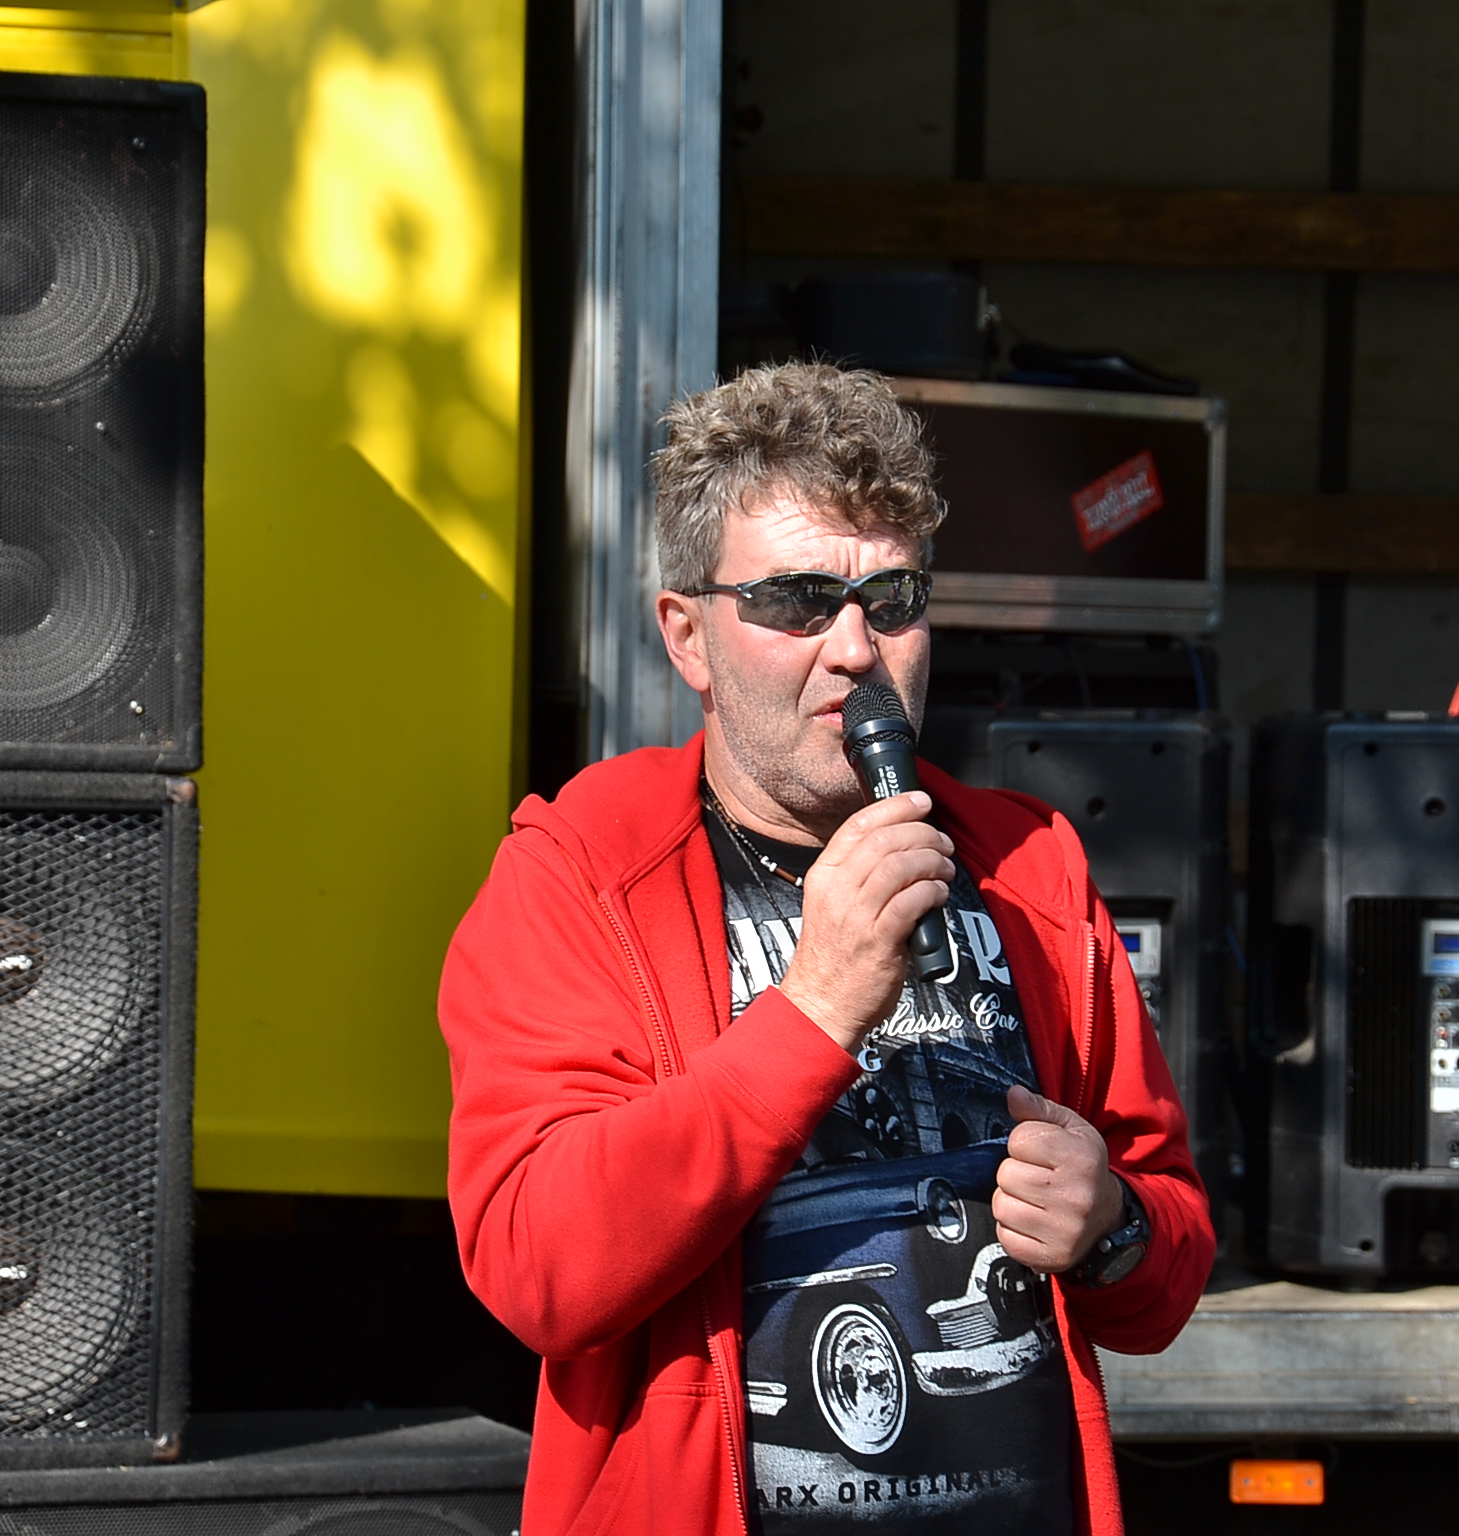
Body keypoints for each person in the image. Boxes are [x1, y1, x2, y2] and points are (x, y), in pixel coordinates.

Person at [438, 362, 1213, 1535]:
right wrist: (813, 1010)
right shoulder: (582, 872)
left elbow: (1170, 1264)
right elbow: (538, 1270)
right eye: (799, 601)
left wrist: (1111, 1228)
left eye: (891, 600)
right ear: (689, 637)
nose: (856, 648)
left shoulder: (1030, 867)